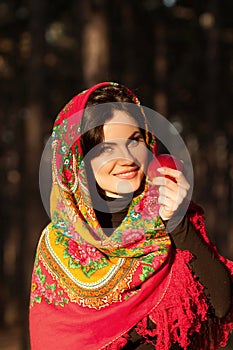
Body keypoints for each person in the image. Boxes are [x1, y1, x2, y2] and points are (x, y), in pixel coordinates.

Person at [29, 82, 233, 350]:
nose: (127, 158)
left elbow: (221, 303)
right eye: (105, 149)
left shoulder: (169, 214)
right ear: (78, 161)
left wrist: (177, 221)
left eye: (134, 141)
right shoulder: (59, 245)